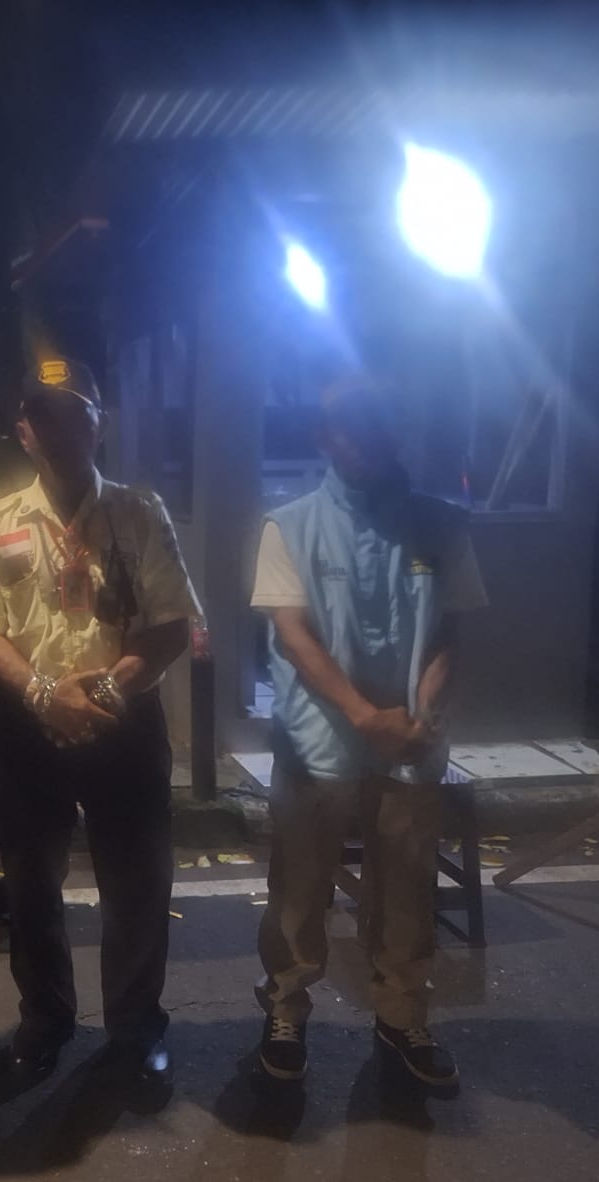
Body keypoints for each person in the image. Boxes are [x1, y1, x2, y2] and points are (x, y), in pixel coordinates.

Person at [0, 358, 203, 1092]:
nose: (60, 430)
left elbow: (172, 625)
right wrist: (44, 694)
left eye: (76, 414)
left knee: (138, 886)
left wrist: (106, 690)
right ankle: (45, 1021)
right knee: (30, 887)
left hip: (124, 724)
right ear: (24, 430)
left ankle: (135, 1028)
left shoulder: (140, 514)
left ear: (101, 424)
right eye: (44, 416)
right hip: (27, 730)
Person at [250, 380, 488, 1088]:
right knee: (300, 887)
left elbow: (450, 630)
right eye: (346, 427)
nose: (363, 437)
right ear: (324, 437)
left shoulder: (441, 524)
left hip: (411, 740)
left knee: (407, 889)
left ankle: (401, 1013)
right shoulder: (288, 525)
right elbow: (293, 634)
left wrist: (417, 713)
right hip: (318, 739)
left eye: (375, 424)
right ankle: (286, 1008)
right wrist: (362, 714)